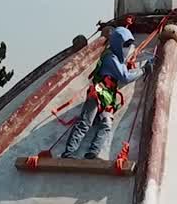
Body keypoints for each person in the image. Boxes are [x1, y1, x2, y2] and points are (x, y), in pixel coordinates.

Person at [62, 26, 152, 160]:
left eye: (129, 44)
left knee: (106, 124)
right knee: (85, 123)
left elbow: (123, 72)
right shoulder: (110, 58)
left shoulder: (118, 59)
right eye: (125, 44)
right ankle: (68, 153)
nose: (127, 47)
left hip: (108, 97)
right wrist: (143, 70)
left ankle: (93, 153)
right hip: (98, 94)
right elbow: (125, 77)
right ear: (117, 43)